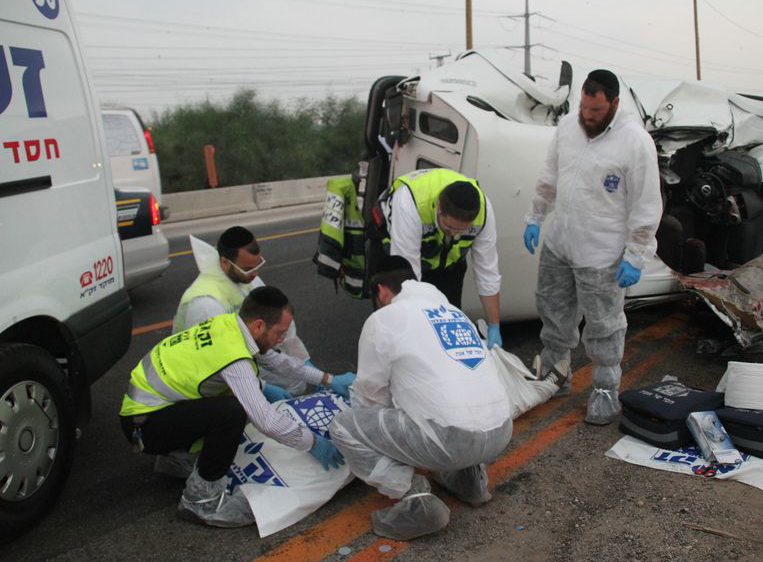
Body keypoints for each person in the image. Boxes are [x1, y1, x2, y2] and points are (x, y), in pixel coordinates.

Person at [119, 286, 346, 528]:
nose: (282, 340)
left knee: (235, 401)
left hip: (150, 411)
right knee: (231, 412)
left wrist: (328, 379)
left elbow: (278, 361)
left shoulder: (229, 325)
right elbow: (266, 420)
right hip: (144, 426)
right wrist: (312, 443)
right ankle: (200, 502)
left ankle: (178, 459)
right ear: (259, 325)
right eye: (280, 333)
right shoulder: (234, 355)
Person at [329, 256, 512, 541]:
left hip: (453, 441)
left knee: (343, 425)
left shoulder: (383, 319)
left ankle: (414, 497)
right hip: (501, 431)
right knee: (451, 401)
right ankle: (472, 484)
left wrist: (374, 444)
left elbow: (369, 398)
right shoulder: (452, 311)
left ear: (380, 291)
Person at [522, 69, 662, 426]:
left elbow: (645, 206)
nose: (588, 116)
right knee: (553, 310)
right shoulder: (568, 127)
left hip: (601, 253)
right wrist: (536, 216)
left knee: (603, 324)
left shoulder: (635, 142)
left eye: (596, 110)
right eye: (584, 107)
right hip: (561, 243)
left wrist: (635, 255)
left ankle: (604, 388)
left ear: (614, 104)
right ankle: (556, 374)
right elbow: (550, 175)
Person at [173, 226, 355, 398]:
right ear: (224, 262)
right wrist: (262, 388)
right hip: (203, 380)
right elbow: (218, 364)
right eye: (248, 268)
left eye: (257, 265)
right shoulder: (205, 303)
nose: (255, 273)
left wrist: (310, 367)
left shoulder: (247, 278)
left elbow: (278, 334)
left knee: (294, 380)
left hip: (240, 355)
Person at [377, 168, 504, 349]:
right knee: (402, 329)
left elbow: (487, 272)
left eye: (461, 231)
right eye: (449, 227)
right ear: (438, 207)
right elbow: (407, 280)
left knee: (448, 325)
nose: (454, 234)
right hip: (399, 255)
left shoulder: (484, 212)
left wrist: (494, 325)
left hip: (445, 261)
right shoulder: (410, 203)